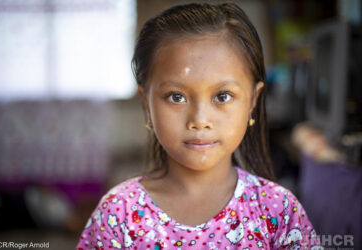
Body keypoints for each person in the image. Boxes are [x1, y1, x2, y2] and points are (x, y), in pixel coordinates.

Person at [77, 2, 322, 249]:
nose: (200, 120)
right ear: (147, 103)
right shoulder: (119, 213)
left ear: (252, 102)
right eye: (176, 97)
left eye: (222, 96)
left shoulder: (278, 211)